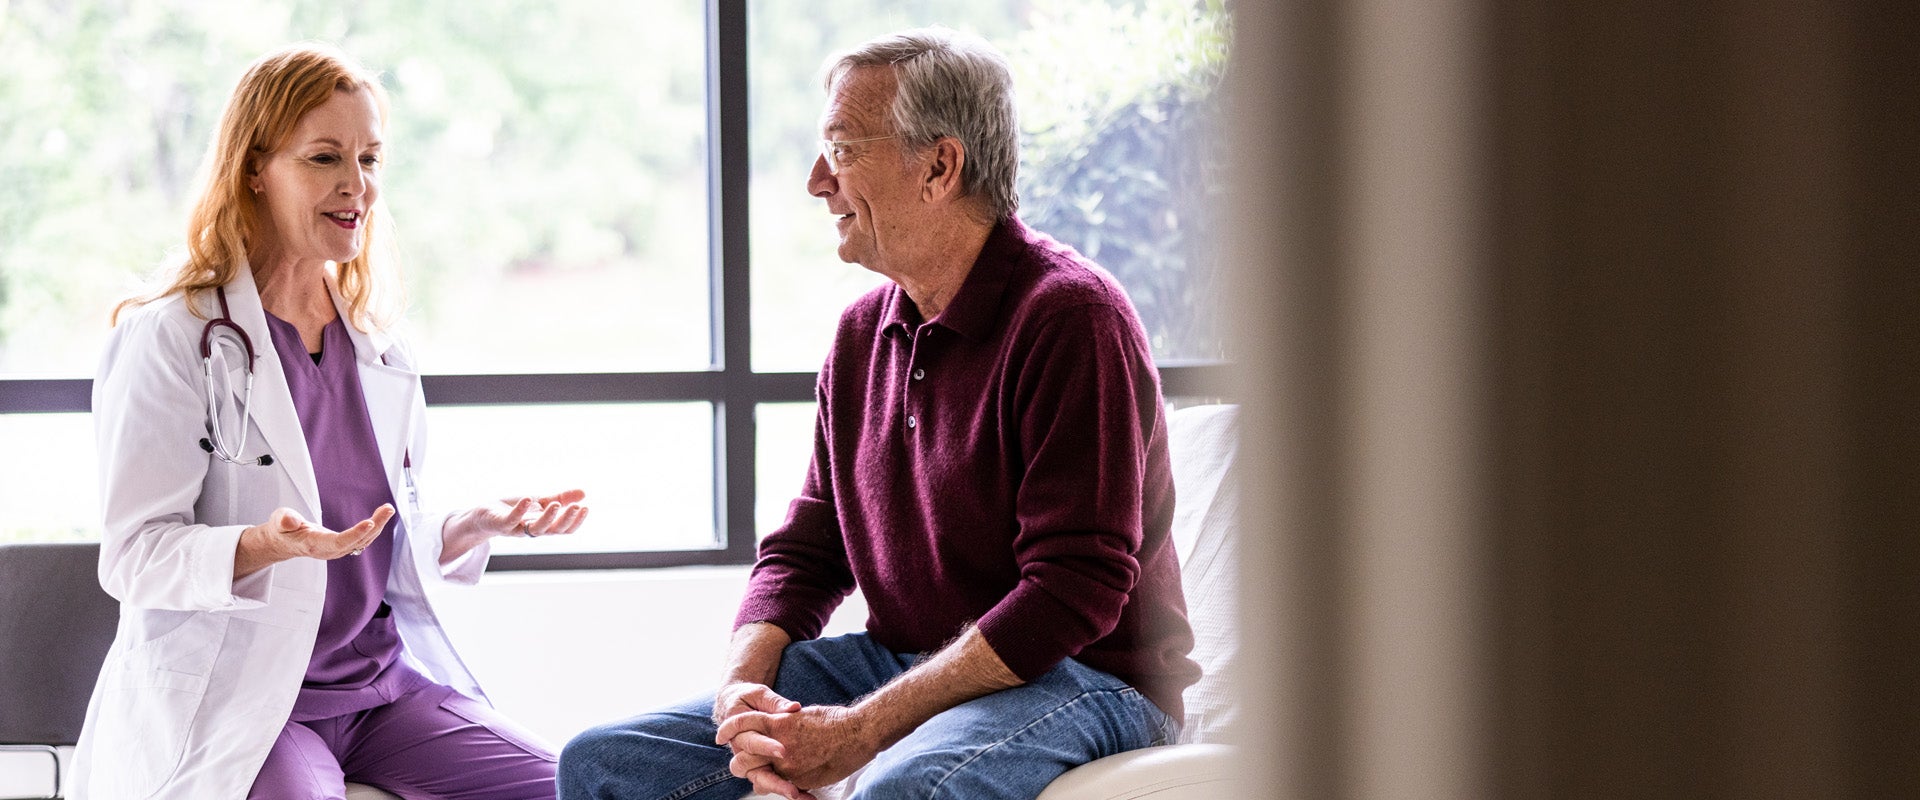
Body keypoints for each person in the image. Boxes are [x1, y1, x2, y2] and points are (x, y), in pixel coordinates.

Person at [558, 27, 1199, 800]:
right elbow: (807, 550)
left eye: (842, 150)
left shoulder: (1073, 317)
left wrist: (861, 731)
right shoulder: (863, 332)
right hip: (903, 659)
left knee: (903, 787)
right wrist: (741, 698)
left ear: (940, 167)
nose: (816, 181)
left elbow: (1073, 591)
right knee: (603, 763)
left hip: (1086, 677)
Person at [74, 43, 587, 800]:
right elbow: (133, 556)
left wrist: (467, 526)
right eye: (324, 158)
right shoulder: (173, 337)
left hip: (382, 690)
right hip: (245, 695)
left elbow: (377, 533)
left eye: (370, 159)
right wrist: (262, 546)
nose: (357, 185)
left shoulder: (378, 344)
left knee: (570, 786)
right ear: (255, 169)